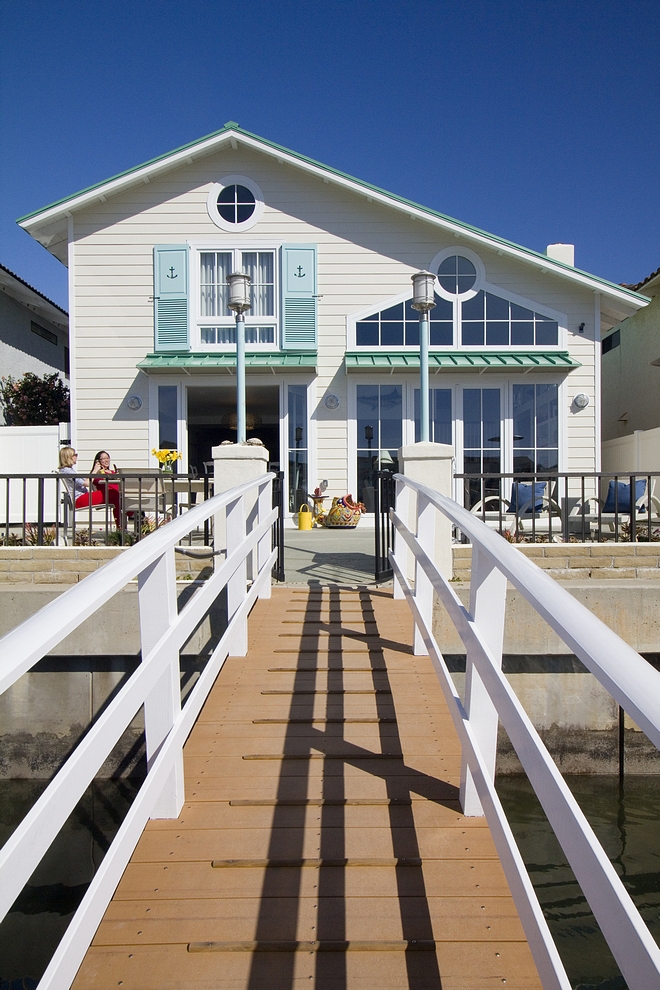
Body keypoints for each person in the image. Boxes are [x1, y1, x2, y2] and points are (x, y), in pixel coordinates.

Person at [59, 447, 120, 525]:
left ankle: (121, 529)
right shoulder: (67, 471)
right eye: (75, 455)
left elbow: (85, 480)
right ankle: (130, 515)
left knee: (117, 500)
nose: (76, 457)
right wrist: (94, 471)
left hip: (84, 496)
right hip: (80, 499)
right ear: (69, 457)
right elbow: (87, 484)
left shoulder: (68, 470)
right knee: (112, 492)